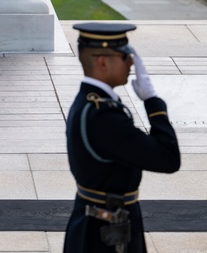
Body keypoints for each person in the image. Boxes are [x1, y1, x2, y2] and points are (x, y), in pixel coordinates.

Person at [63, 22, 181, 253]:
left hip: (98, 225)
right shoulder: (104, 116)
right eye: (125, 56)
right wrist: (152, 101)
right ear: (103, 61)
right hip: (105, 236)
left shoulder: (91, 103)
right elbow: (167, 158)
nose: (132, 63)